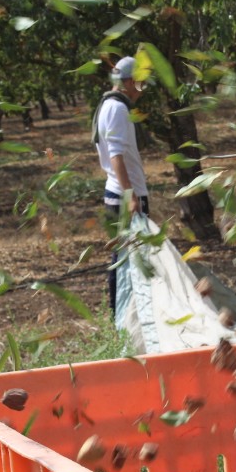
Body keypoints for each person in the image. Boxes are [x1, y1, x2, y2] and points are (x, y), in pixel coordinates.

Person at [93, 56, 149, 313]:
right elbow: (115, 156)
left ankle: (128, 316)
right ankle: (123, 318)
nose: (142, 91)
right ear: (128, 82)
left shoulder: (112, 105)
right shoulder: (117, 108)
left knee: (129, 260)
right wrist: (131, 196)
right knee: (126, 261)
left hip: (121, 193)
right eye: (140, 84)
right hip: (123, 196)